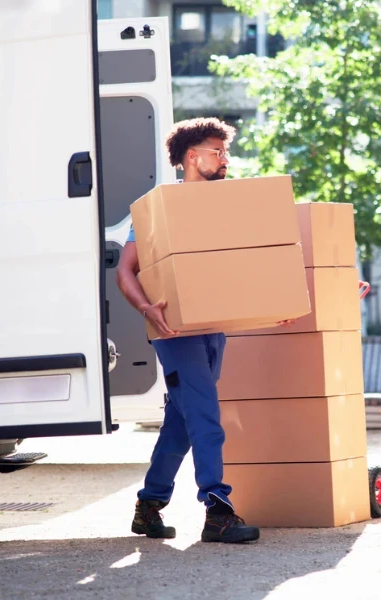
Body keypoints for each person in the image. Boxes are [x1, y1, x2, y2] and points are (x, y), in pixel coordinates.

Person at [116, 117, 289, 544]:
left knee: (182, 420)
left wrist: (274, 303)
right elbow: (125, 270)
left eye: (226, 151)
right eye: (218, 151)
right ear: (193, 157)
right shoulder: (158, 209)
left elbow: (244, 263)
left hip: (213, 330)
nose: (226, 159)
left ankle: (149, 506)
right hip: (174, 331)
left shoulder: (227, 207)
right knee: (206, 417)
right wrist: (145, 308)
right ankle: (217, 509)